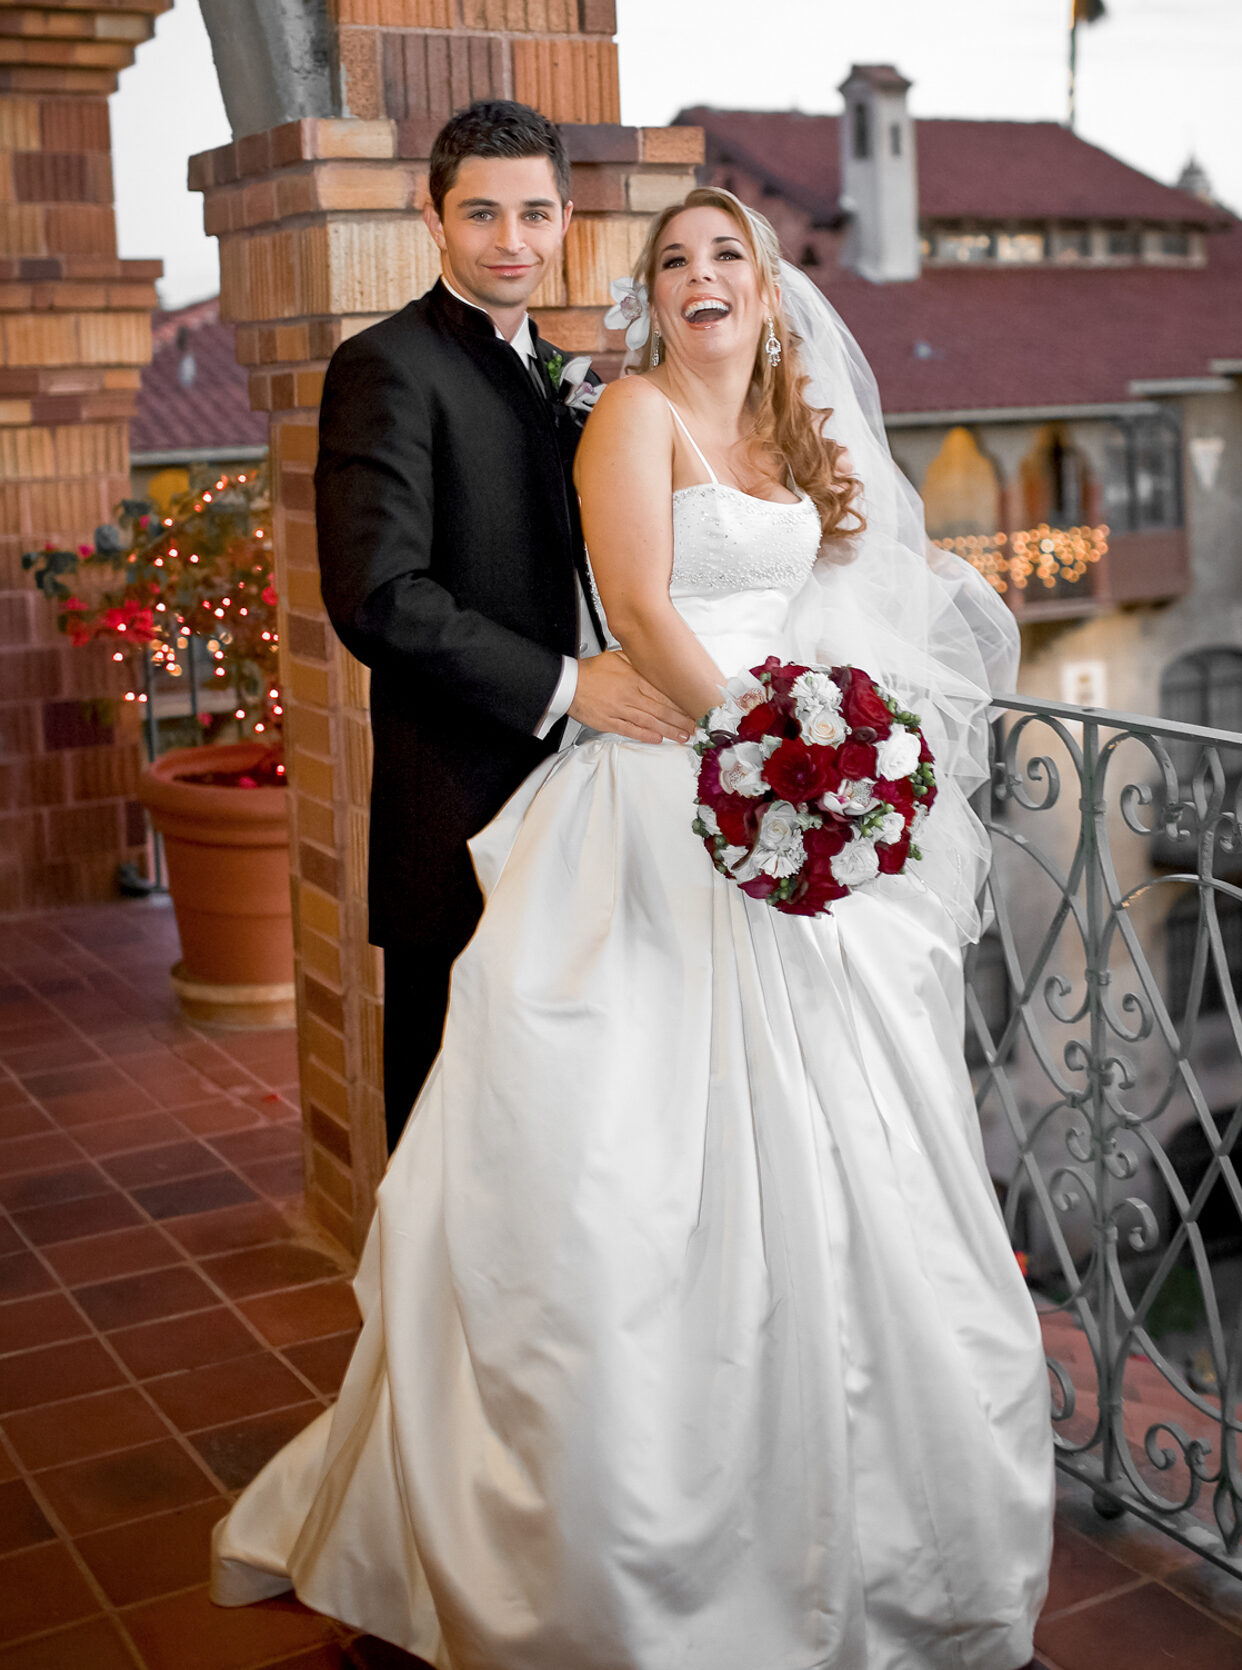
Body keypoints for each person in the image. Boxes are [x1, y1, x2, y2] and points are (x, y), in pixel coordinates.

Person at [213, 186, 1055, 1669]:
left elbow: (834, 596)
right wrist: (776, 750)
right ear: (652, 298)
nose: (700, 274)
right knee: (632, 1174)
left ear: (771, 289)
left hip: (782, 799)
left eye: (728, 252)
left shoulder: (792, 439)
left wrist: (850, 749)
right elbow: (649, 612)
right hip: (670, 794)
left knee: (849, 1159)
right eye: (674, 260)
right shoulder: (635, 420)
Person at [314, 99, 692, 1154]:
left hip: (591, 801)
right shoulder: (384, 365)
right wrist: (575, 686)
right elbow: (379, 595)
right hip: (460, 807)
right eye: (482, 213)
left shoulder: (573, 375)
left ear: (566, 217)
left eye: (533, 212)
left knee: (561, 1123)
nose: (511, 240)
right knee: (453, 1125)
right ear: (431, 220)